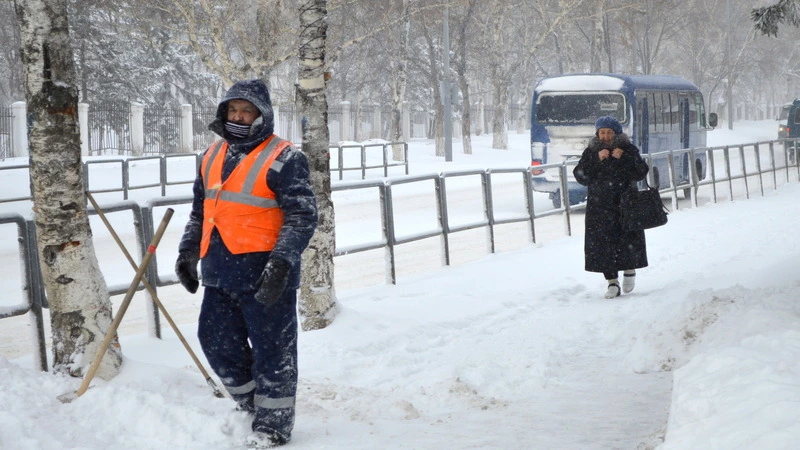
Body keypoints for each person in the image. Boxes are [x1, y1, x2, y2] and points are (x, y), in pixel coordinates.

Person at [174, 79, 318, 448]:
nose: (238, 117)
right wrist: (189, 253)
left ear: (262, 115)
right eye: (232, 111)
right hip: (220, 271)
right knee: (216, 342)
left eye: (246, 111)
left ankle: (273, 425)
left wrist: (282, 263)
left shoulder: (286, 157)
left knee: (273, 350)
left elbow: (302, 216)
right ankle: (251, 404)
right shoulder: (210, 156)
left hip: (267, 274)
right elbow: (200, 211)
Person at [573, 116, 649, 299]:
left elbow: (641, 172)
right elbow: (581, 176)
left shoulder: (628, 149)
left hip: (624, 204)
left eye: (609, 132)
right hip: (599, 206)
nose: (605, 136)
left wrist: (624, 158)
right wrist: (596, 160)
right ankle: (612, 282)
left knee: (627, 240)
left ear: (616, 133)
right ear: (597, 133)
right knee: (603, 244)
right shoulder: (591, 151)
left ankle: (630, 270)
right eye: (602, 132)